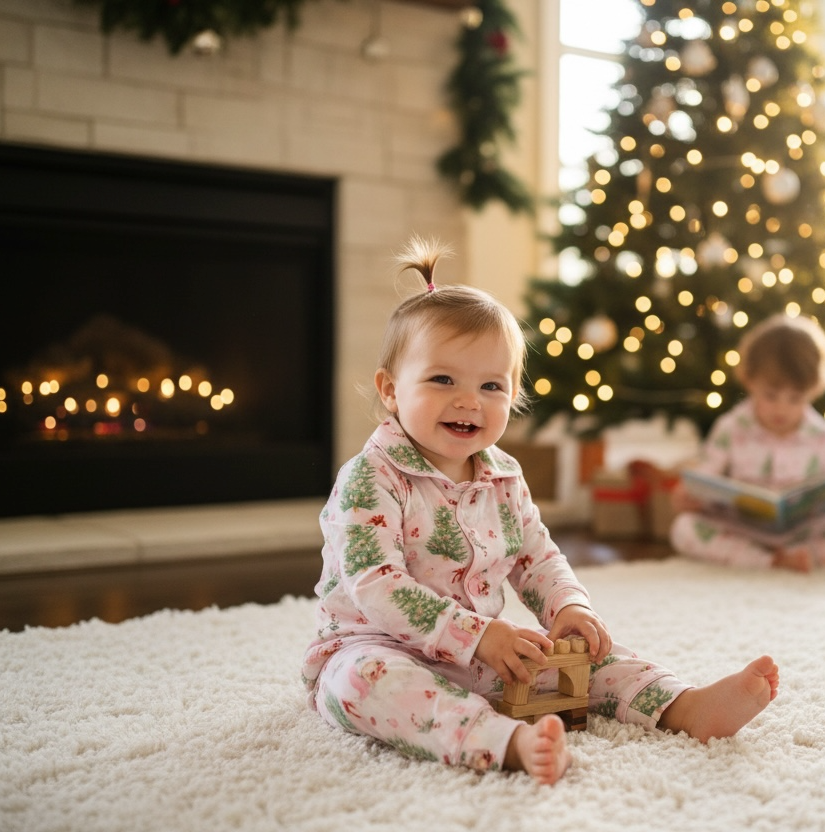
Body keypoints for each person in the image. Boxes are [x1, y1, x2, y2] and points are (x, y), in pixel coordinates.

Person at [301, 237, 779, 785]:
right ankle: (503, 742)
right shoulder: (370, 477)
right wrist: (476, 635)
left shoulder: (502, 474)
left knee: (588, 656)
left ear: (513, 395)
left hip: (484, 652)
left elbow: (535, 555)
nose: (468, 400)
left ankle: (682, 706)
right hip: (372, 645)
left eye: (490, 385)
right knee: (368, 685)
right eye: (442, 380)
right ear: (391, 390)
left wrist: (567, 609)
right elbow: (375, 584)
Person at [670, 314, 825, 572]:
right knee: (684, 528)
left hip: (806, 533)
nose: (781, 408)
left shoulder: (821, 435)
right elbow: (704, 482)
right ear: (749, 380)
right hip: (743, 530)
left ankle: (803, 555)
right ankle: (767, 560)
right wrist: (687, 496)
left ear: (814, 389)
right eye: (771, 396)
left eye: (795, 398)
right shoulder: (731, 428)